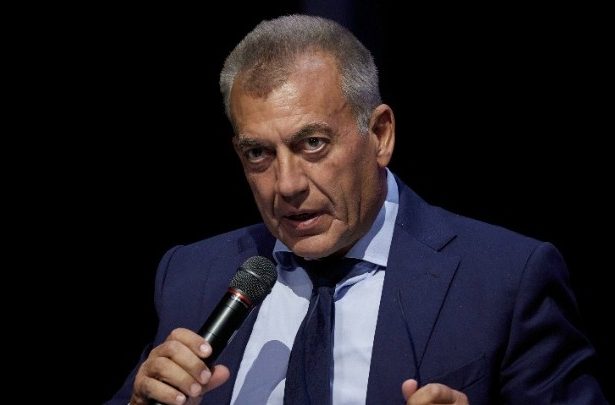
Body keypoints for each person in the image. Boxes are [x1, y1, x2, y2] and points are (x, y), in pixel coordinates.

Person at [107, 14, 607, 405]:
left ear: (380, 135)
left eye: (313, 143)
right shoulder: (191, 276)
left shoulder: (505, 280)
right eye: (258, 153)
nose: (287, 185)